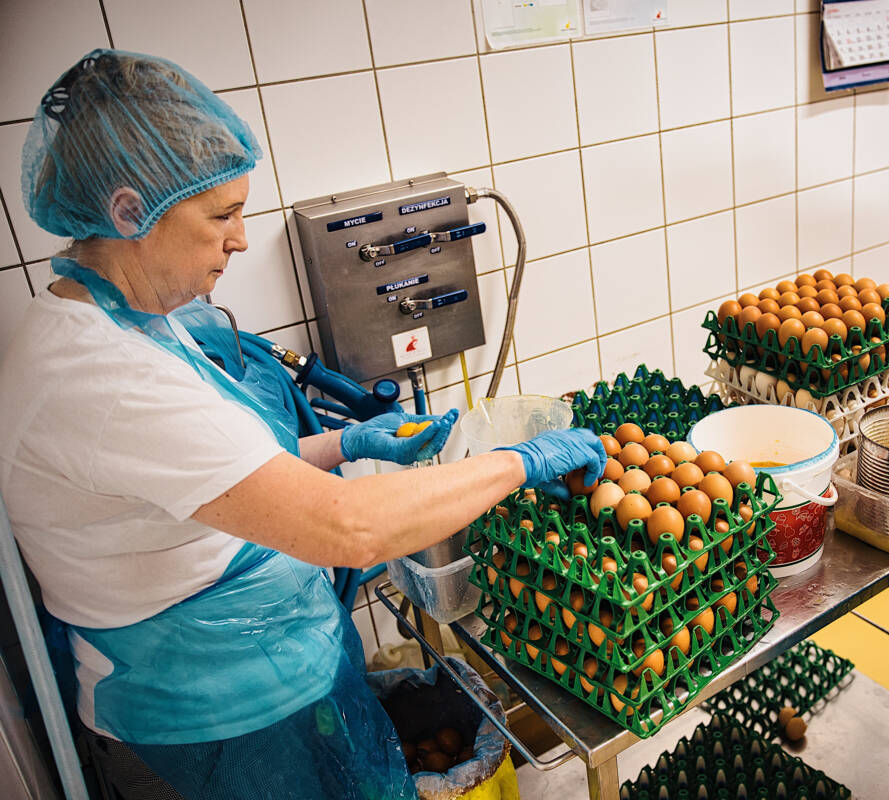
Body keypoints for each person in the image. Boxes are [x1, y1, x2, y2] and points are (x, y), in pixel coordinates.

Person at [0, 49, 606, 799]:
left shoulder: (133, 318)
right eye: (221, 215)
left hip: (265, 682)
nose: (240, 238)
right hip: (212, 727)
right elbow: (350, 528)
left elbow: (217, 475)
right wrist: (521, 462)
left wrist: (344, 442)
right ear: (130, 213)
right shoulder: (99, 374)